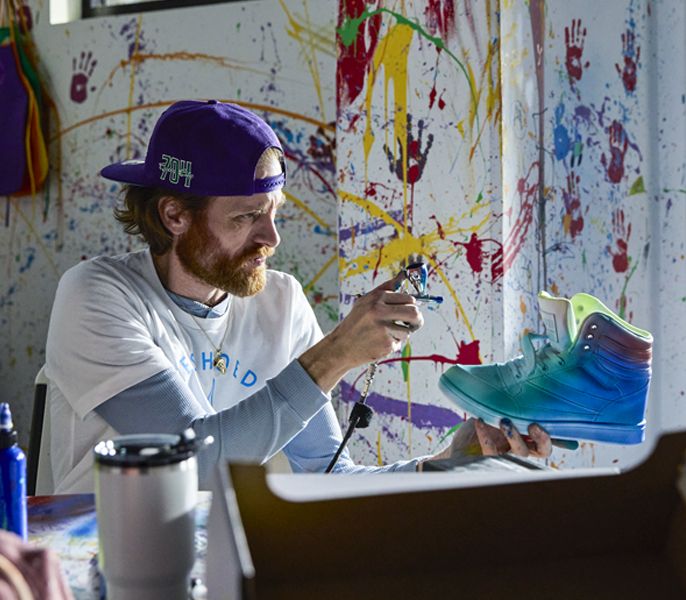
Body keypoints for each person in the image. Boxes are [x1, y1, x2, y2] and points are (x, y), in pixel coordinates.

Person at [44, 100, 551, 493]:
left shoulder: (279, 302)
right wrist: (332, 356)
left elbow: (328, 476)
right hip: (92, 553)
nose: (271, 238)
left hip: (210, 554)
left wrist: (446, 465)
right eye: (246, 217)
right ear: (175, 216)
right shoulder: (96, 295)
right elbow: (191, 463)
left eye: (274, 212)